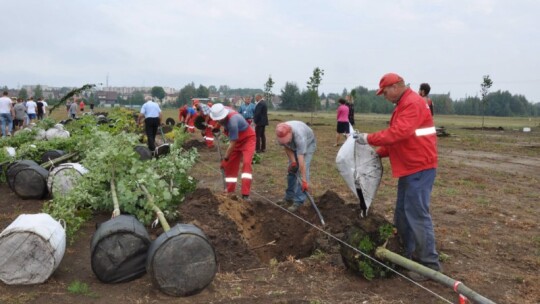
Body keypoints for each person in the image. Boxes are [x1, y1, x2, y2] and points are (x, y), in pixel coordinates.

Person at [355, 73, 440, 281]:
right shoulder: (404, 104)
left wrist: (369, 138)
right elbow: (402, 139)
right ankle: (406, 254)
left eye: (385, 92)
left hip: (419, 168)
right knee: (402, 214)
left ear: (395, 86)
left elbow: (398, 133)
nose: (384, 96)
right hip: (409, 167)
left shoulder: (412, 103)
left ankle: (429, 264)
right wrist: (378, 153)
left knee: (417, 215)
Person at [209, 103, 256, 202]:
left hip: (247, 139)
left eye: (219, 120)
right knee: (231, 166)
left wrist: (225, 159)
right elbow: (220, 121)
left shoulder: (232, 122)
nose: (219, 121)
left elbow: (232, 143)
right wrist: (216, 127)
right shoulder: (222, 109)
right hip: (236, 141)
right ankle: (229, 191)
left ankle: (245, 195)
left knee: (246, 164)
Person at [275, 121, 316, 213]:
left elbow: (302, 162)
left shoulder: (299, 137)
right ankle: (289, 198)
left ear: (290, 133)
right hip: (294, 144)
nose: (284, 140)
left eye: (286, 138)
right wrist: (293, 162)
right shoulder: (280, 133)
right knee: (292, 171)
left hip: (308, 144)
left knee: (301, 173)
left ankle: (299, 200)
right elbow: (286, 146)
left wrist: (304, 180)